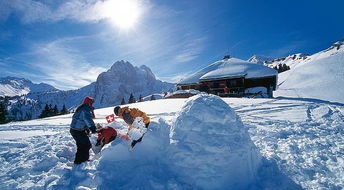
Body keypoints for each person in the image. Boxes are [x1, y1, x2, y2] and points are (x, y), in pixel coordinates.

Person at [70, 96, 97, 164]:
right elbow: (87, 120)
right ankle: (80, 161)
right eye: (91, 102)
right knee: (86, 145)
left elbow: (82, 121)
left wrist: (87, 129)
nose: (92, 104)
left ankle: (80, 160)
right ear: (89, 103)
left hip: (76, 130)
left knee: (82, 145)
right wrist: (92, 128)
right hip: (77, 131)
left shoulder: (82, 108)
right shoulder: (85, 109)